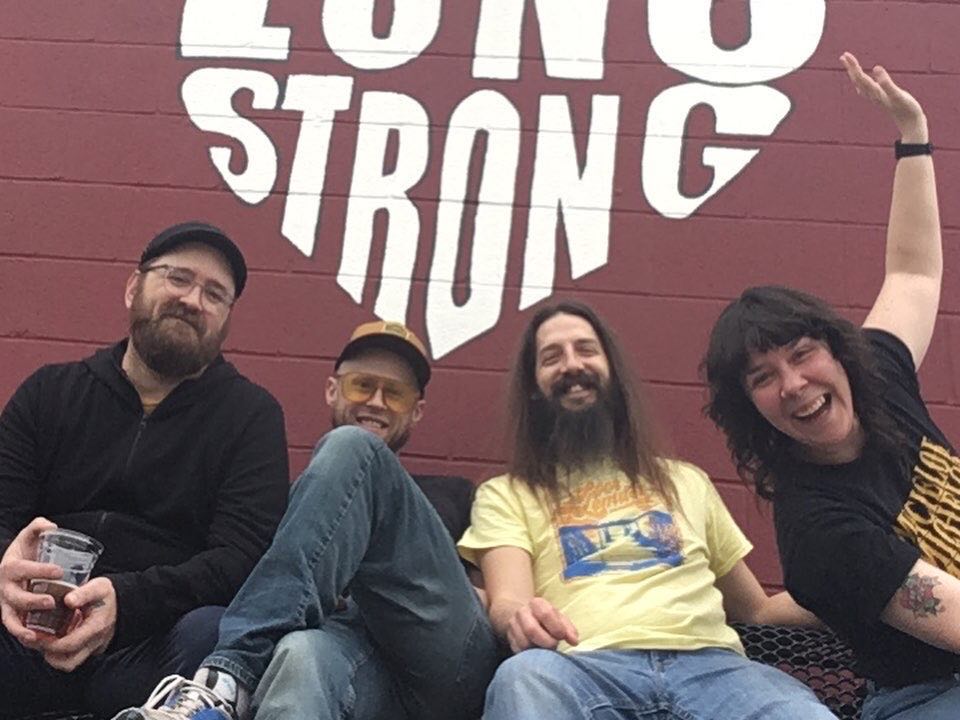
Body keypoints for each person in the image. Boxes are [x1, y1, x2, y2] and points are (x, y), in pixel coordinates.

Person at [703, 53, 957, 719]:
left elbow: (912, 275)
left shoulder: (881, 376)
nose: (794, 384)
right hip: (928, 696)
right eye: (763, 377)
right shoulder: (820, 529)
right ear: (750, 408)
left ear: (838, 354)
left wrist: (913, 135)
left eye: (803, 353)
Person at [459, 300, 837, 719]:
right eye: (552, 357)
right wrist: (521, 617)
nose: (571, 364)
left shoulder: (684, 480)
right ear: (533, 386)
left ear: (613, 373)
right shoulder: (506, 493)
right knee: (524, 678)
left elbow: (756, 610)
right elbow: (509, 599)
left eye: (586, 350)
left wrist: (861, 591)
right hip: (582, 668)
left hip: (715, 672)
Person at [113, 320, 501, 720]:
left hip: (441, 661)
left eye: (396, 394)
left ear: (417, 411)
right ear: (332, 390)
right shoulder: (296, 505)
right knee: (298, 656)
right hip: (351, 663)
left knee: (352, 446)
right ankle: (218, 699)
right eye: (362, 385)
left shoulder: (451, 493)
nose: (377, 402)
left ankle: (225, 680)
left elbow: (490, 593)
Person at [0, 222, 290, 718]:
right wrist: (4, 568)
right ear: (134, 287)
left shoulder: (252, 417)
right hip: (25, 633)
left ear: (225, 320)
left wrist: (127, 603)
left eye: (214, 294)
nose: (193, 300)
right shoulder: (50, 393)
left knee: (215, 632)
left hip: (155, 649)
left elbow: (242, 557)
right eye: (177, 278)